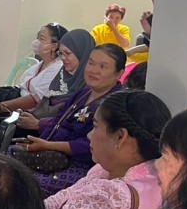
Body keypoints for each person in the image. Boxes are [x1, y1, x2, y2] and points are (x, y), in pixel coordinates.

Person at [12, 45, 126, 197]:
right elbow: (58, 121)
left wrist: (47, 145)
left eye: (103, 67)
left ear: (119, 74)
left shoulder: (116, 105)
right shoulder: (83, 94)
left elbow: (88, 146)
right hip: (52, 156)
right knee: (6, 160)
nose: (93, 70)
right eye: (91, 63)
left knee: (23, 183)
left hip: (81, 167)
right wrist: (40, 143)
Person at [0, 23, 67, 119]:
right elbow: (23, 88)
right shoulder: (39, 66)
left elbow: (36, 99)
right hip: (18, 111)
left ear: (54, 46)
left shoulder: (58, 68)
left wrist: (0, 107)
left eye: (42, 39)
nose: (36, 42)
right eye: (37, 38)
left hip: (33, 117)